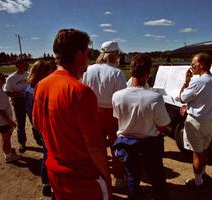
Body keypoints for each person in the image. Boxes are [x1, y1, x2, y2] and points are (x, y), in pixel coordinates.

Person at [33, 29, 112, 200]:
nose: (89, 57)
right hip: (82, 178)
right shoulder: (81, 92)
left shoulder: (42, 85)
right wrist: (106, 176)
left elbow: (37, 125)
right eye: (87, 52)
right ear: (79, 54)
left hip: (55, 171)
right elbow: (95, 146)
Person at [112, 54, 171, 200]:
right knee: (157, 176)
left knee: (132, 176)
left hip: (126, 143)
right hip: (149, 143)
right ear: (148, 73)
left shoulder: (117, 96)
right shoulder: (154, 97)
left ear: (131, 71)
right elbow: (163, 126)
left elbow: (118, 118)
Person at [82, 40, 127, 189]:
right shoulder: (116, 72)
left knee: (97, 146)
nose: (119, 56)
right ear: (113, 54)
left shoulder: (89, 69)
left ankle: (100, 175)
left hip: (93, 111)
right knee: (117, 146)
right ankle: (119, 177)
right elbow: (122, 98)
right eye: (117, 53)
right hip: (112, 113)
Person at [179, 52, 212, 188]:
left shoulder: (198, 81)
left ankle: (198, 183)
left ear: (201, 64)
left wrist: (187, 81)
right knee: (204, 149)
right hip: (210, 120)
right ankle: (203, 174)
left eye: (193, 64)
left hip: (196, 121)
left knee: (197, 153)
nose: (191, 67)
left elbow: (182, 97)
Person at [25, 60, 55, 197]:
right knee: (49, 155)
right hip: (45, 127)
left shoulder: (29, 87)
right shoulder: (39, 88)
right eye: (49, 70)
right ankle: (48, 183)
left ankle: (46, 182)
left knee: (46, 153)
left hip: (39, 126)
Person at [4, 59, 42, 153]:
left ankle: (38, 138)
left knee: (34, 121)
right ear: (17, 66)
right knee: (21, 124)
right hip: (18, 102)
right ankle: (22, 143)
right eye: (21, 65)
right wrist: (16, 94)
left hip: (29, 100)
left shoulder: (29, 74)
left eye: (24, 65)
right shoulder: (11, 78)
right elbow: (6, 92)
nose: (23, 67)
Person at [0, 72, 19, 163]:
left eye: (4, 77)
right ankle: (8, 156)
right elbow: (1, 111)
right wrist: (11, 122)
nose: (4, 79)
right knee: (6, 139)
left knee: (5, 137)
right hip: (3, 121)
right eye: (1, 78)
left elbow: (2, 93)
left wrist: (9, 94)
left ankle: (8, 150)